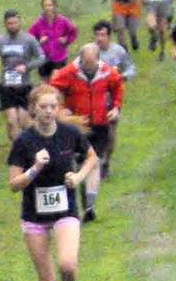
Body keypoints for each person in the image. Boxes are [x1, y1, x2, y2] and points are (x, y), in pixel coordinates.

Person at [8, 85, 98, 281]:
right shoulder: (24, 142)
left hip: (65, 211)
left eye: (52, 106)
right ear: (33, 109)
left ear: (58, 108)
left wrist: (78, 177)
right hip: (34, 216)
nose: (48, 111)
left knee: (67, 266)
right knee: (46, 280)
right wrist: (35, 168)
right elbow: (13, 184)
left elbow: (91, 157)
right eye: (43, 107)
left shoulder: (69, 134)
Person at [50, 42, 123, 221]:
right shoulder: (69, 72)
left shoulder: (108, 72)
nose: (88, 67)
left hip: (99, 124)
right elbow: (52, 89)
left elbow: (117, 88)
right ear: (80, 59)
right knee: (80, 163)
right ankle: (75, 202)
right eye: (85, 63)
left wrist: (116, 107)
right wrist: (60, 109)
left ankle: (89, 206)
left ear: (98, 60)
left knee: (94, 161)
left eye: (91, 64)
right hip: (77, 125)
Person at [0, 10, 46, 141]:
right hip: (6, 87)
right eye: (9, 23)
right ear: (5, 24)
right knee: (12, 121)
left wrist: (27, 67)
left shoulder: (29, 40)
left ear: (19, 22)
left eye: (15, 23)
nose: (12, 26)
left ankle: (37, 139)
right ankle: (17, 148)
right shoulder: (0, 41)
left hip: (24, 86)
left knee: (24, 122)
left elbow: (41, 57)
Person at [29, 0, 77, 81]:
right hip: (43, 59)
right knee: (45, 83)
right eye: (45, 5)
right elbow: (29, 38)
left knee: (58, 82)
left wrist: (66, 39)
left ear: (54, 6)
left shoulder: (63, 20)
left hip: (59, 58)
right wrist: (39, 41)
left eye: (50, 5)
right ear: (43, 7)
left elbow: (73, 32)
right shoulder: (38, 23)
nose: (48, 8)